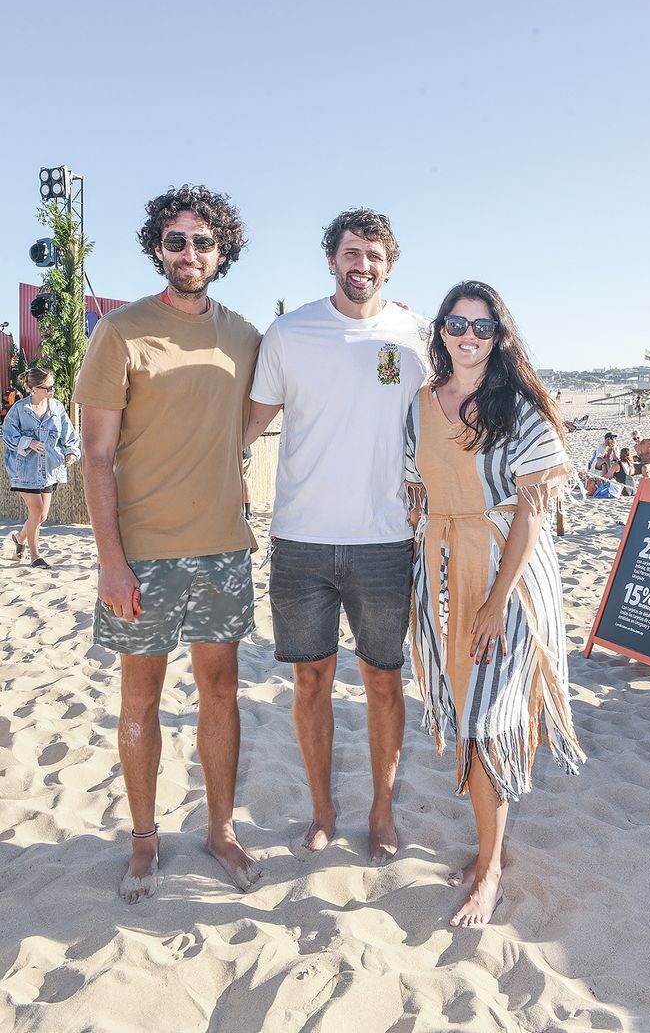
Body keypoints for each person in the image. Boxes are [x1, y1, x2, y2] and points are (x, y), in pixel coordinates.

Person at [74, 185, 262, 904]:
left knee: (221, 691)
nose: (190, 253)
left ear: (223, 251)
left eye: (204, 242)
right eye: (177, 240)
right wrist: (110, 560)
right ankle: (145, 838)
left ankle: (220, 829)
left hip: (223, 549)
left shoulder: (245, 334)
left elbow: (262, 412)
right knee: (141, 702)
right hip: (142, 553)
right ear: (158, 246)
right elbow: (95, 455)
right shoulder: (118, 330)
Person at [244, 207, 428, 864]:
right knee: (311, 680)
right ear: (332, 260)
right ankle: (322, 810)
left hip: (385, 542)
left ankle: (381, 810)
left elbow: (446, 421)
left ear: (390, 264)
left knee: (384, 680)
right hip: (301, 541)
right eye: (352, 253)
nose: (363, 265)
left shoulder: (415, 334)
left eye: (375, 255)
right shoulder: (290, 334)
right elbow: (244, 427)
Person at [405, 280, 585, 928]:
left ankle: (490, 870)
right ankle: (489, 846)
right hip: (445, 577)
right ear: (442, 330)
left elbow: (534, 516)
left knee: (487, 720)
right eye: (457, 323)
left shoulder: (519, 409)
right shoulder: (422, 404)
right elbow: (416, 489)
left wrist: (494, 603)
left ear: (498, 336)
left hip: (505, 580)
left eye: (482, 327)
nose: (468, 336)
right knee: (467, 711)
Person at [2, 367, 80, 568]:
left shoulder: (57, 408)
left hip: (50, 470)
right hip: (24, 471)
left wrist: (71, 452)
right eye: (48, 387)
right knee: (36, 510)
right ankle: (35, 556)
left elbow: (69, 435)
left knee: (42, 515)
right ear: (34, 388)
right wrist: (27, 442)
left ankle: (19, 540)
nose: (53, 390)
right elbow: (9, 436)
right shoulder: (19, 409)